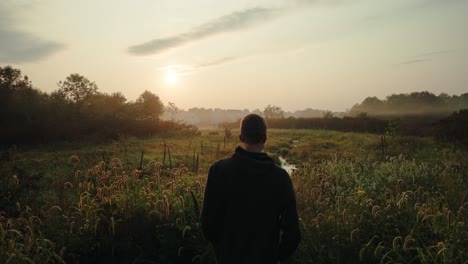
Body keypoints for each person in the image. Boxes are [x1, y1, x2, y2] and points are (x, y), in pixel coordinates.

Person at [201, 114, 301, 264]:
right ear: (265, 139)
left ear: (241, 138)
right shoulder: (280, 177)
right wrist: (277, 256)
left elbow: (207, 224)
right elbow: (293, 233)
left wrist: (223, 251)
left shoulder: (218, 170)